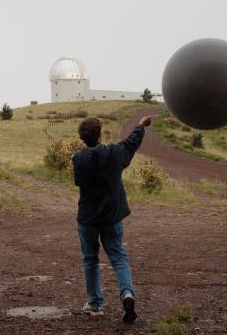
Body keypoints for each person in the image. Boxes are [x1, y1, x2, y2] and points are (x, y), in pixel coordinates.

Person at [72, 115, 152, 324]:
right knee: (118, 257)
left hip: (88, 219)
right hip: (111, 217)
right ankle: (127, 293)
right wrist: (140, 126)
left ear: (83, 138)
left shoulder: (78, 158)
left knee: (90, 260)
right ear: (100, 135)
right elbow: (130, 143)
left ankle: (95, 303)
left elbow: (78, 181)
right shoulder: (115, 154)